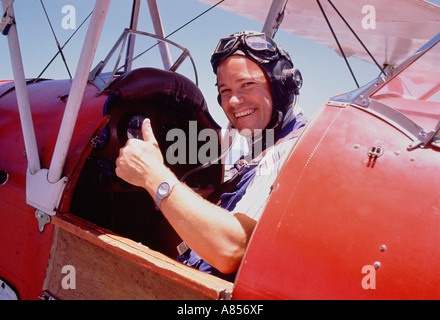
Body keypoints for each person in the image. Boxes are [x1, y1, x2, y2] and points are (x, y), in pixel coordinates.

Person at [115, 31, 308, 281]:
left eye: (247, 84)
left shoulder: (287, 150)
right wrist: (181, 198)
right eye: (225, 90)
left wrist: (155, 177)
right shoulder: (268, 144)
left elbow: (231, 250)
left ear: (282, 85)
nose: (234, 100)